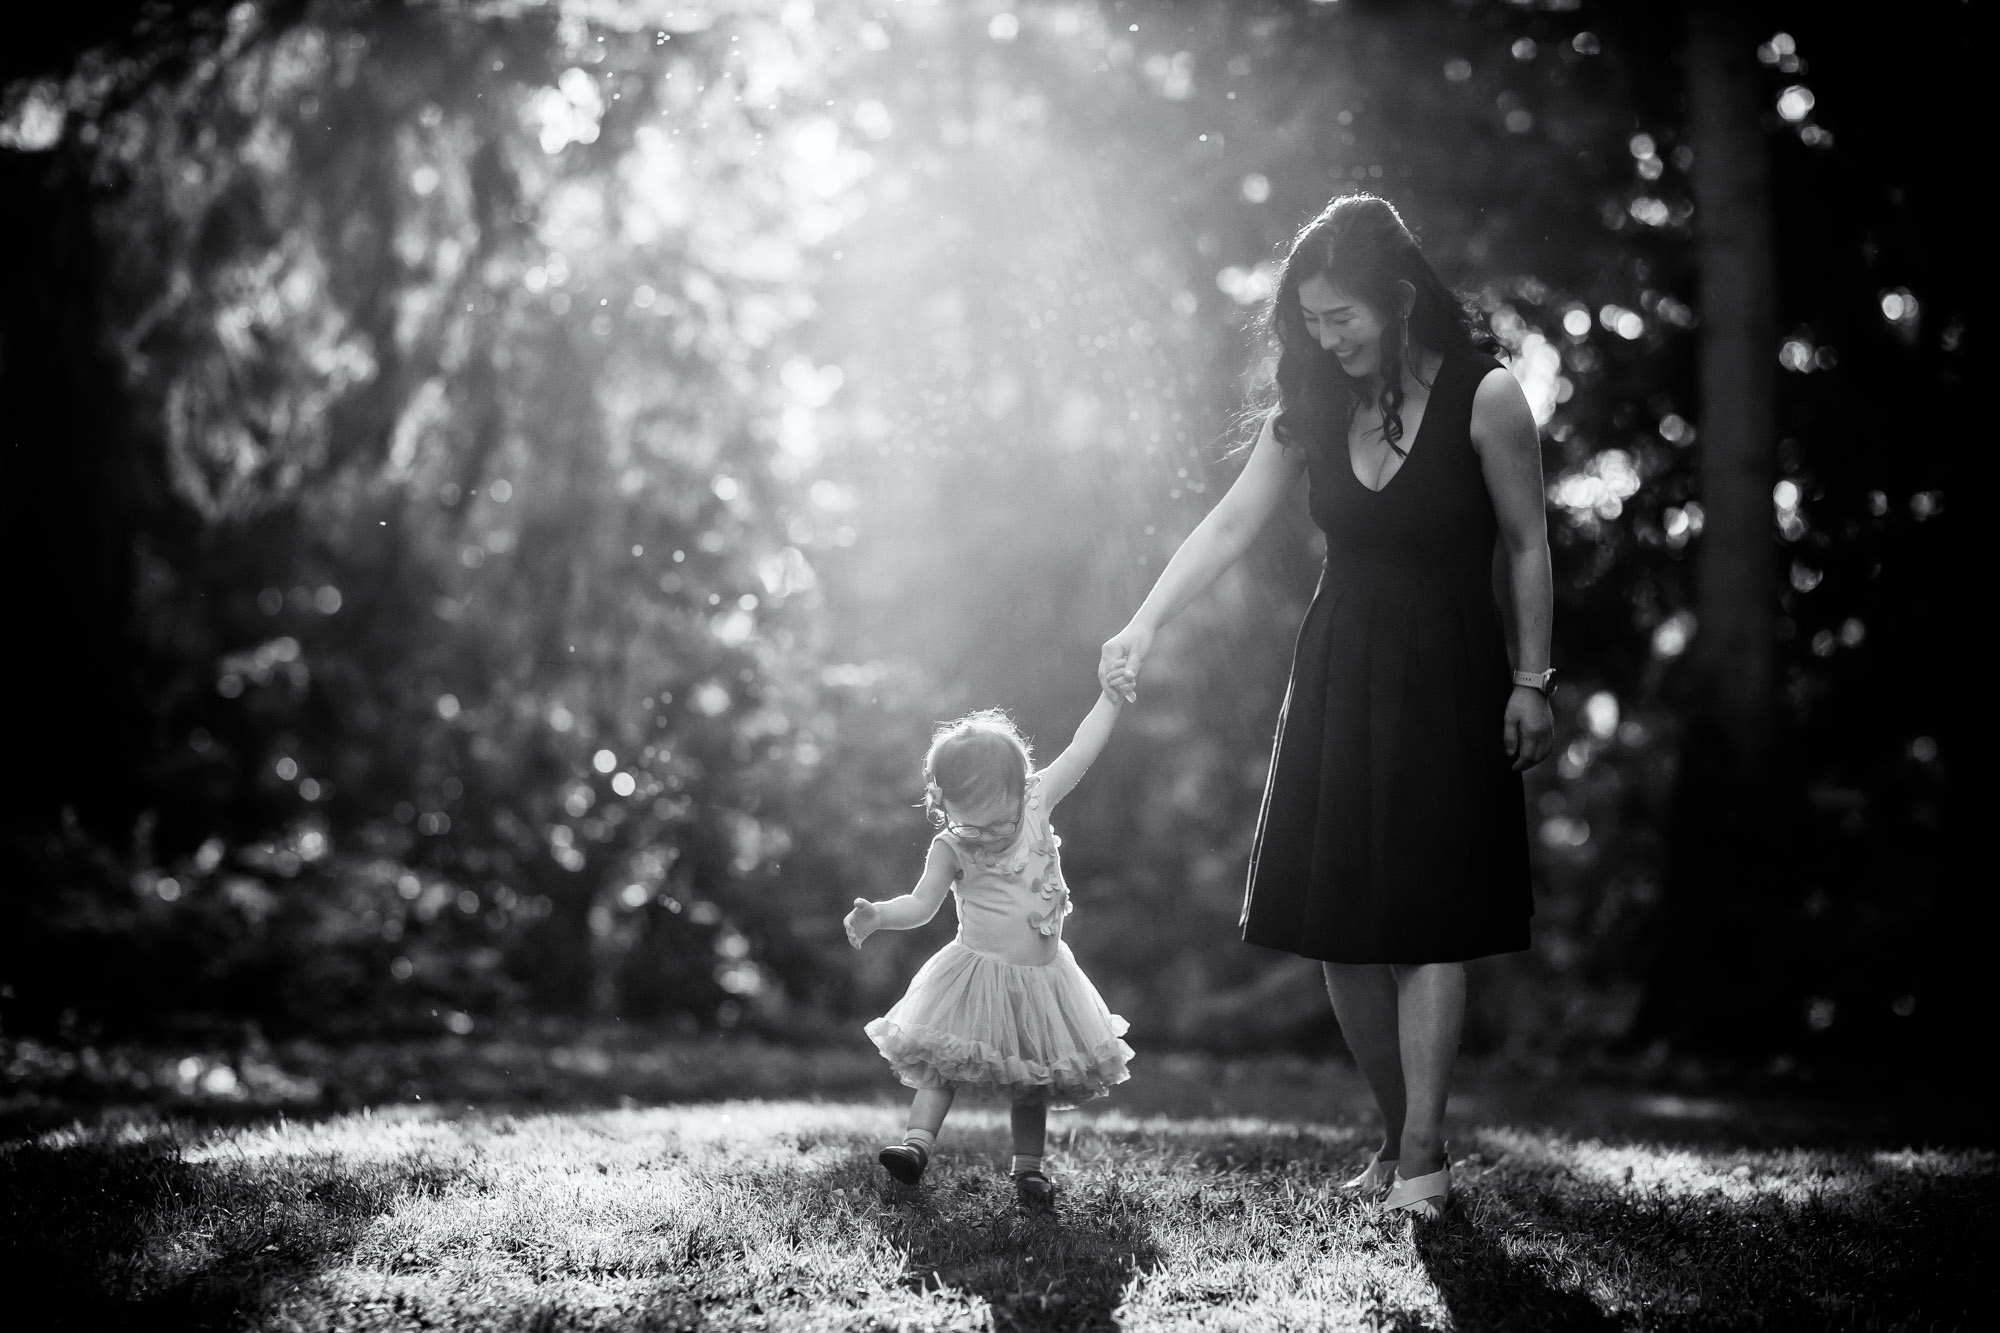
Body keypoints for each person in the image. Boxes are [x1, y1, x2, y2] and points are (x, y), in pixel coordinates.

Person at [1098, 194, 1554, 1220]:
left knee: (1428, 917)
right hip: (1338, 669)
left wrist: (1532, 680)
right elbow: (1226, 526)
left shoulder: (1485, 399)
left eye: (1338, 316)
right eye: (1307, 319)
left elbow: (1527, 543)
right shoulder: (1306, 405)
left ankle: (1427, 1158)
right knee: (1337, 924)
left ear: (1396, 300)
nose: (1321, 335)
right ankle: (1398, 1138)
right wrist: (1142, 623)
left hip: (1448, 672)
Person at [844, 699, 1132, 1208]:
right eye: (965, 816)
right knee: (942, 1066)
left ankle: (1029, 1170)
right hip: (974, 975)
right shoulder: (951, 846)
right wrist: (881, 915)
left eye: (991, 813)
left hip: (1043, 978)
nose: (982, 830)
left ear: (1017, 788)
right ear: (945, 803)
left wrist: (1109, 697)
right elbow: (921, 904)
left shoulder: (1037, 802)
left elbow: (1082, 749)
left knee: (1033, 1077)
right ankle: (915, 1147)